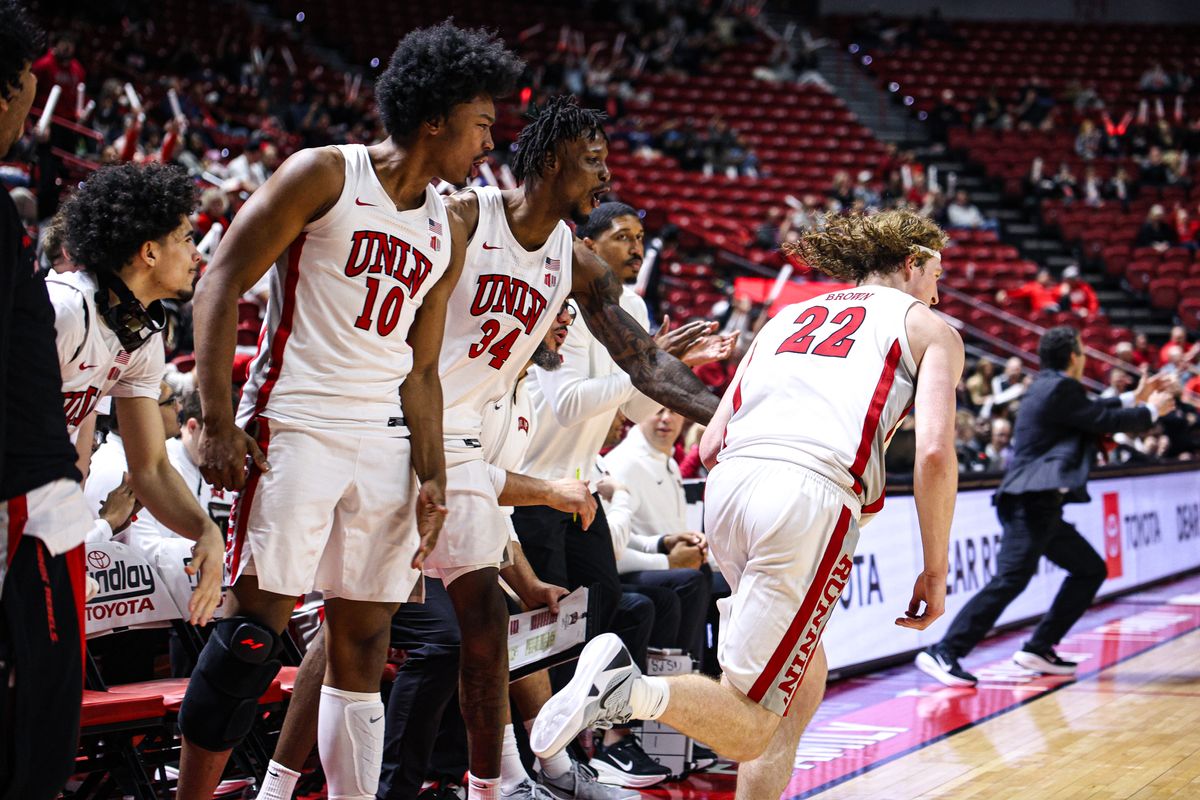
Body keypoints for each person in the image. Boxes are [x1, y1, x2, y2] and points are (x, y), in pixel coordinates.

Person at [174, 24, 526, 800]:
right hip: (297, 420)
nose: (489, 140)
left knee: (364, 643)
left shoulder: (446, 223)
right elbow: (219, 283)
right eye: (481, 122)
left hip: (386, 439)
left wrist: (432, 474)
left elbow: (424, 369)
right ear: (434, 118)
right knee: (250, 634)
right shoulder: (325, 173)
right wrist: (219, 418)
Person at [531, 209, 964, 800]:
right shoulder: (929, 328)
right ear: (911, 264)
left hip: (730, 487)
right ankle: (628, 692)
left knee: (799, 683)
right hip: (809, 492)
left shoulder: (789, 315)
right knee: (751, 723)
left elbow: (710, 442)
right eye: (937, 273)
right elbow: (935, 454)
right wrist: (935, 570)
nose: (939, 291)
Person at [425, 95, 720, 800]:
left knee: (504, 629)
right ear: (553, 159)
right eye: (595, 162)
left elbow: (645, 370)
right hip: (424, 433)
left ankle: (521, 775)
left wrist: (734, 417)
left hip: (490, 446)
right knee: (352, 636)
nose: (606, 178)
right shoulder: (468, 218)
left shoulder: (578, 269)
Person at [513, 201, 731, 788]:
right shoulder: (564, 303)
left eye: (641, 238)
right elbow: (566, 402)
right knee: (551, 628)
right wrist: (652, 363)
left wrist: (658, 368)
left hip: (582, 491)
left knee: (604, 610)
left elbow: (632, 409)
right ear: (586, 245)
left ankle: (594, 740)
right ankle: (545, 757)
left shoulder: (630, 306)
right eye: (622, 237)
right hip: (533, 490)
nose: (636, 248)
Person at [917, 327, 1175, 687]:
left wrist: (1135, 396)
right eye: (1083, 350)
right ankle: (944, 651)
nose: (1084, 356)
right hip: (1030, 502)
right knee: (1011, 579)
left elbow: (1094, 410)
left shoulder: (1050, 387)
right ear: (1074, 356)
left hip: (1041, 504)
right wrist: (1150, 410)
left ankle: (1039, 647)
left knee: (1089, 570)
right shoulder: (1060, 388)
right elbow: (1104, 420)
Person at [51, 162, 224, 614]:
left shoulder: (140, 339)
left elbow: (150, 467)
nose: (196, 255)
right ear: (149, 252)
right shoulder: (64, 310)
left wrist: (206, 531)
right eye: (186, 239)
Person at [0, 5, 97, 797]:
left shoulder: (134, 338)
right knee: (46, 682)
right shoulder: (69, 303)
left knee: (55, 678)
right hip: (21, 488)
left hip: (49, 488)